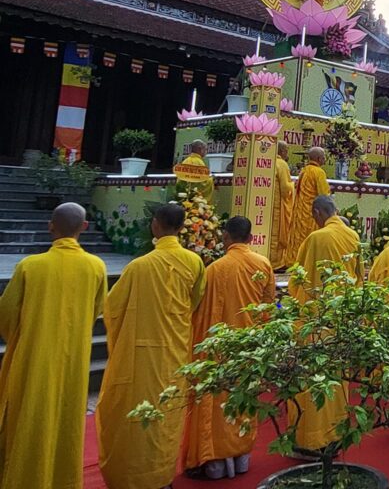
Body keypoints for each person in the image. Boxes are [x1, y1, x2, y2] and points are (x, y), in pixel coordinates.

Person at [97, 203, 206, 489]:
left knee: (137, 418)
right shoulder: (194, 262)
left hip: (140, 355)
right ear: (182, 228)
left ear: (155, 225)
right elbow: (194, 302)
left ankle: (133, 478)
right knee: (166, 416)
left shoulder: (139, 266)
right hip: (176, 352)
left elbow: (112, 309)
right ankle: (162, 476)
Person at [0, 203, 107, 489]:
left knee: (29, 417)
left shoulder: (30, 267)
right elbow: (97, 310)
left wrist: (29, 337)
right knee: (66, 419)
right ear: (84, 228)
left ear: (50, 226)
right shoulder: (96, 267)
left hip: (33, 357)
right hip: (73, 359)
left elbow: (7, 314)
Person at [182, 216, 276, 479]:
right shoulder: (263, 264)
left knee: (217, 403)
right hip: (249, 348)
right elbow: (267, 309)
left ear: (226, 238)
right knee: (244, 401)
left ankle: (214, 463)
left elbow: (198, 310)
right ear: (250, 238)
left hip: (219, 348)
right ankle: (241, 458)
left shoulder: (215, 268)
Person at [288, 195, 362, 451]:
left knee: (312, 379)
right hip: (341, 318)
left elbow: (298, 279)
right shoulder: (352, 236)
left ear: (318, 213)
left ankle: (312, 440)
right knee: (336, 377)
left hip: (315, 319)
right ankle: (335, 433)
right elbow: (359, 278)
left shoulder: (316, 238)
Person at [285, 146, 330, 265]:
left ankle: (294, 261)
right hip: (312, 212)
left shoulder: (304, 170)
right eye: (324, 157)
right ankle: (307, 262)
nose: (325, 159)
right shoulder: (319, 172)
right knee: (309, 237)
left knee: (297, 238)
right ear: (319, 158)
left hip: (300, 211)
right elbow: (323, 194)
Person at [270, 141, 295, 270]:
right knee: (276, 234)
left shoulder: (267, 161)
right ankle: (276, 263)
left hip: (265, 204)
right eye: (286, 151)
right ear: (282, 151)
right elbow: (286, 190)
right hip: (277, 206)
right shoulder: (282, 164)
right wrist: (294, 185)